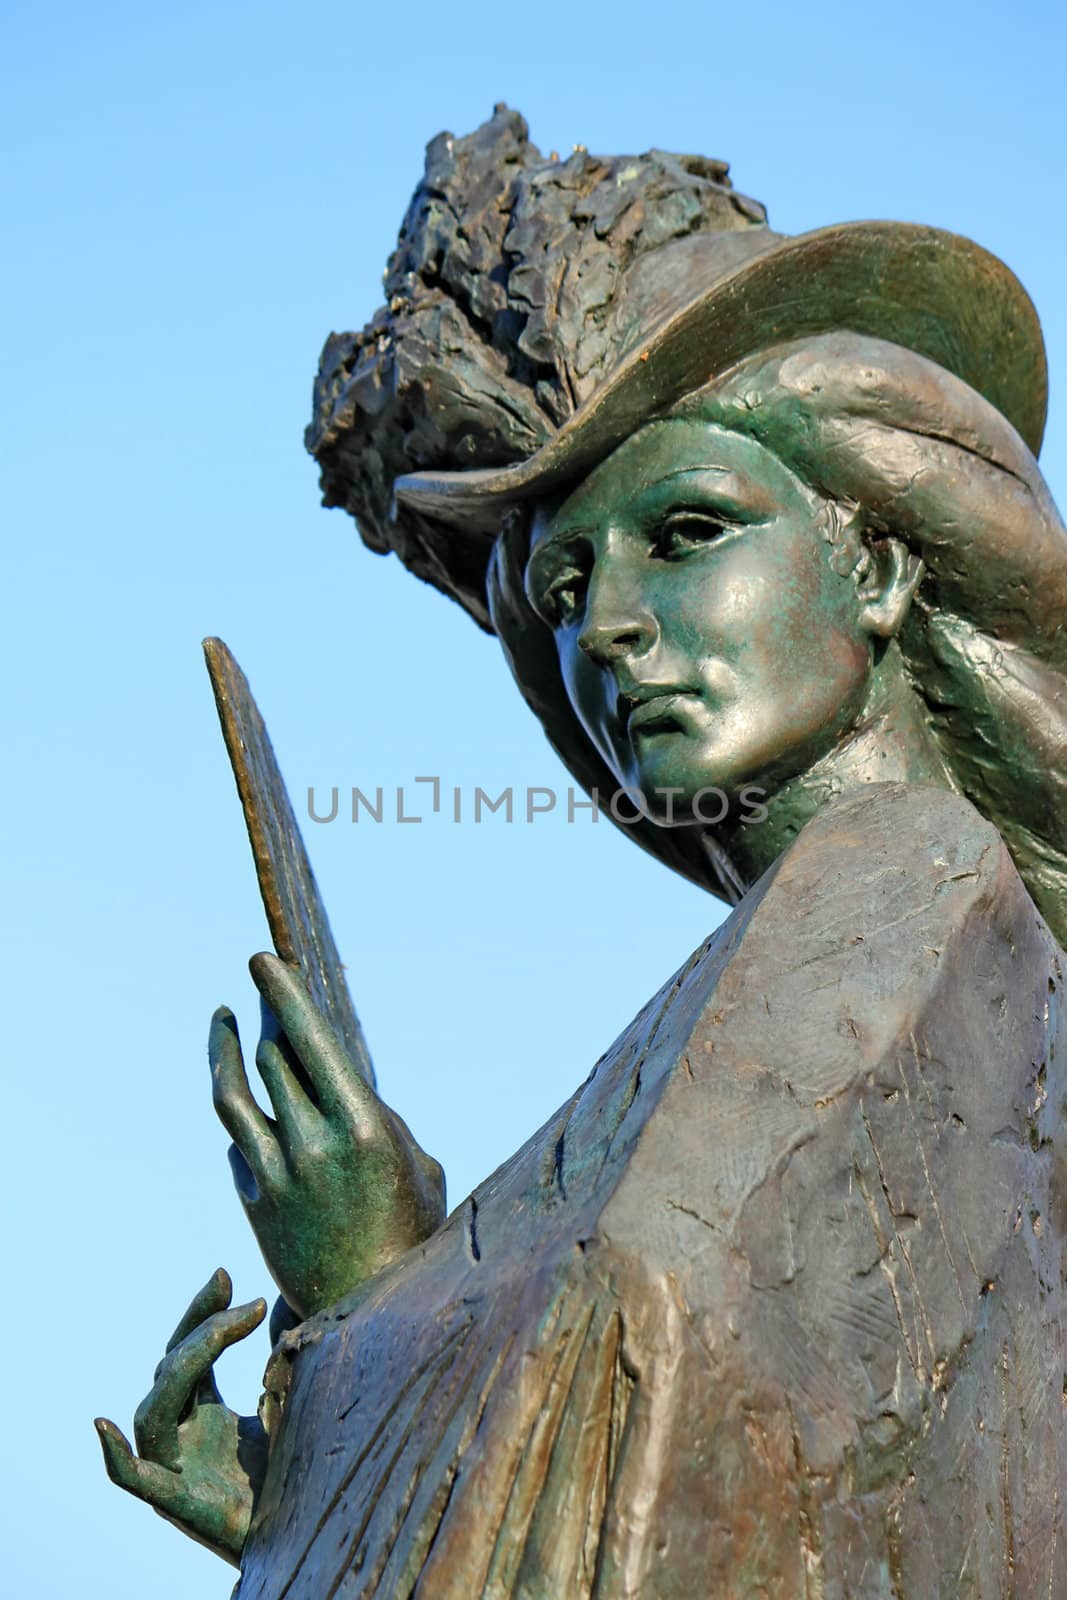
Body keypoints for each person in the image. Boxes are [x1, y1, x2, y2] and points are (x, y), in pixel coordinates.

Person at [97, 109, 1067, 1595]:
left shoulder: (902, 892)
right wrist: (308, 1481)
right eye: (563, 581)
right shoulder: (803, 948)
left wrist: (366, 1293)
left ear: (873, 562)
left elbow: (656, 1335)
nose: (604, 625)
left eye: (684, 530)